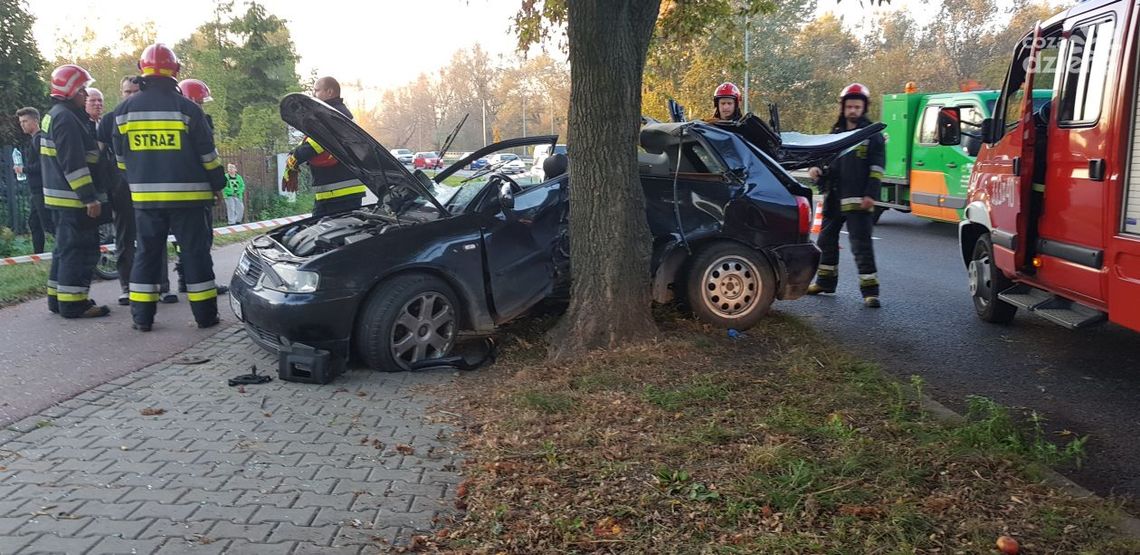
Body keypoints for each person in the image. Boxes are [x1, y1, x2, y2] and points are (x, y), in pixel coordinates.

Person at [112, 44, 225, 331]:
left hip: (146, 200)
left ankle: (142, 318)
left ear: (142, 71)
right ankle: (205, 317)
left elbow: (121, 160)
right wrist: (218, 184)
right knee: (195, 255)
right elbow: (208, 156)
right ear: (175, 71)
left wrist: (138, 182)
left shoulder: (123, 111)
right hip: (190, 199)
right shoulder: (188, 109)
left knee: (146, 255)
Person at [97, 75, 178, 306]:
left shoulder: (154, 116)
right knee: (125, 239)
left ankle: (162, 286)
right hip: (121, 189)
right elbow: (99, 156)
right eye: (127, 92)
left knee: (156, 236)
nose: (131, 96)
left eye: (135, 91)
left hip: (151, 187)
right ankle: (127, 287)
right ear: (121, 93)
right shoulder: (110, 119)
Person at [806, 83, 886, 308]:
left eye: (857, 107)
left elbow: (877, 167)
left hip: (859, 200)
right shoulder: (836, 133)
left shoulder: (872, 135)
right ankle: (825, 283)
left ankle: (870, 292)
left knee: (861, 246)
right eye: (849, 106)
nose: (853, 111)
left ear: (864, 108)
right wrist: (817, 171)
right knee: (825, 242)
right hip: (834, 198)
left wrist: (871, 194)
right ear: (843, 107)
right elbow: (825, 160)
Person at [41, 64, 111, 318]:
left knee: (64, 250)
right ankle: (74, 304)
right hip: (74, 201)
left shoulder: (55, 114)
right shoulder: (66, 118)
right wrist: (89, 197)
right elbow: (73, 162)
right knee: (79, 252)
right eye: (82, 89)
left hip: (61, 199)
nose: (85, 94)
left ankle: (57, 299)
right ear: (70, 91)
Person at [282, 76, 366, 217]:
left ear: (329, 92)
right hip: (331, 193)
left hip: (341, 194)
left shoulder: (335, 115)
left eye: (317, 90)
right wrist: (292, 155)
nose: (314, 94)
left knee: (331, 230)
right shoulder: (331, 114)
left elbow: (317, 143)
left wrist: (294, 159)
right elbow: (309, 140)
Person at [175, 77, 228, 296]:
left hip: (179, 192)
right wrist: (218, 186)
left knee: (184, 240)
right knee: (201, 240)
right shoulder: (198, 122)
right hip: (198, 191)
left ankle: (184, 278)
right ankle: (200, 284)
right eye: (200, 102)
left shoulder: (176, 121)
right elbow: (209, 157)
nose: (202, 106)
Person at [15, 107, 54, 254]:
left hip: (42, 188)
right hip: (36, 189)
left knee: (49, 224)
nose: (22, 125)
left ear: (36, 121)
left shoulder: (39, 140)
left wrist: (23, 169)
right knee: (34, 222)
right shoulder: (34, 140)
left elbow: (43, 165)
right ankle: (38, 255)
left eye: (25, 121)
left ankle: (67, 250)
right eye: (21, 122)